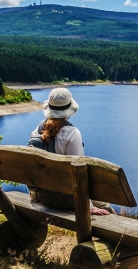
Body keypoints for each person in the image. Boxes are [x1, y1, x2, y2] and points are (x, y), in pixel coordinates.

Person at [28, 87, 115, 216]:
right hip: (65, 200)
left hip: (42, 196)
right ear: (69, 110)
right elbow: (79, 173)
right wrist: (89, 207)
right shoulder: (72, 134)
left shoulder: (37, 130)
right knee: (107, 209)